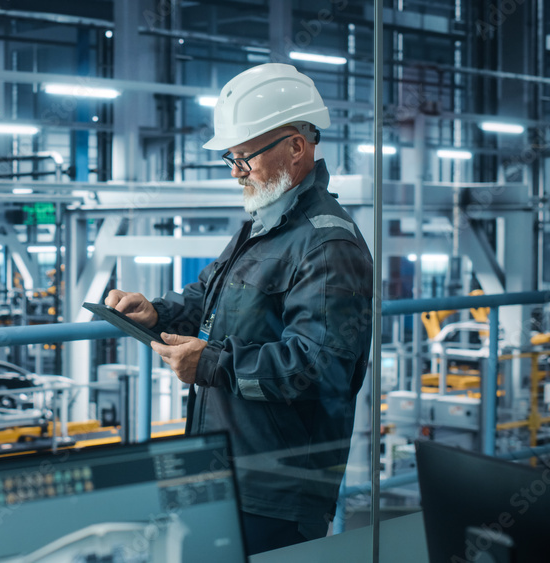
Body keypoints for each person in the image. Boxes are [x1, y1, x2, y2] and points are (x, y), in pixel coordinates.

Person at [106, 63, 373, 554]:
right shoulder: (262, 227)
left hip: (278, 490)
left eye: (244, 157)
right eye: (231, 157)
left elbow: (322, 368)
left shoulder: (328, 246)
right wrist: (157, 313)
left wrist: (211, 363)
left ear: (296, 146)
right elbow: (208, 299)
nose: (235, 172)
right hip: (227, 469)